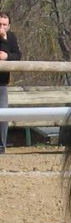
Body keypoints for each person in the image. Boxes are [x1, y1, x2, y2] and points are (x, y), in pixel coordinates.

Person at [0, 12, 23, 153]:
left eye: (4, 25)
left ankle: (1, 146)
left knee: (3, 116)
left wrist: (7, 55)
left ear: (9, 26)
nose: (2, 27)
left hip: (1, 83)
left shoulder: (11, 37)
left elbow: (17, 55)